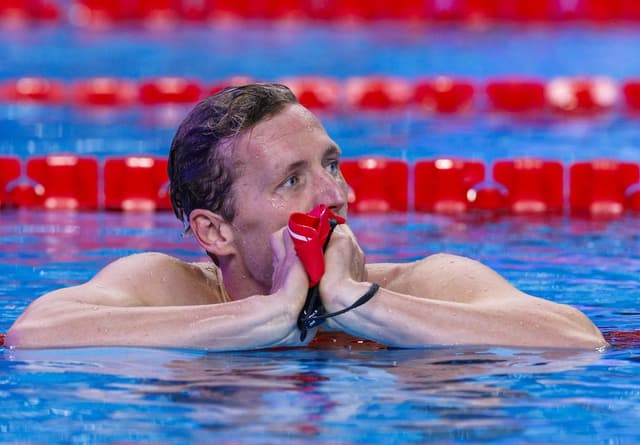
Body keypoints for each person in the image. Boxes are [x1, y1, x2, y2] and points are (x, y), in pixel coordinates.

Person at [6, 83, 607, 351]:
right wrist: (264, 318)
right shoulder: (169, 289)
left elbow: (577, 341)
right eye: (293, 180)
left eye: (332, 165)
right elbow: (33, 336)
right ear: (215, 232)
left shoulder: (430, 283)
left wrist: (359, 304)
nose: (335, 195)